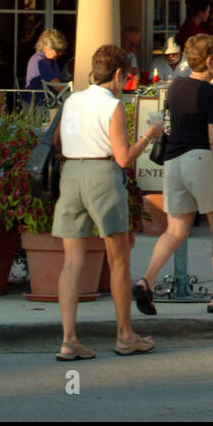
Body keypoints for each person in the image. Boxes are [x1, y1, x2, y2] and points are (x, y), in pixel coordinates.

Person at [50, 44, 163, 360]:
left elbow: (57, 142)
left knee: (71, 263)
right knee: (119, 260)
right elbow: (123, 158)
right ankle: (125, 336)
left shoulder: (72, 100)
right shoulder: (111, 105)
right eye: (125, 77)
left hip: (71, 174)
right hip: (103, 175)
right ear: (117, 74)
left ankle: (69, 341)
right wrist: (150, 135)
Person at [133, 35, 213, 316]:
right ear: (210, 61)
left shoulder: (176, 86)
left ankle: (147, 279)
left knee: (175, 230)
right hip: (202, 159)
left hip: (174, 162)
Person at [24, 29, 69, 104]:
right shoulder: (39, 61)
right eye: (57, 51)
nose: (60, 54)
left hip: (48, 102)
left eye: (61, 51)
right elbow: (58, 87)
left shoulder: (52, 61)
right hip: (38, 105)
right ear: (46, 48)